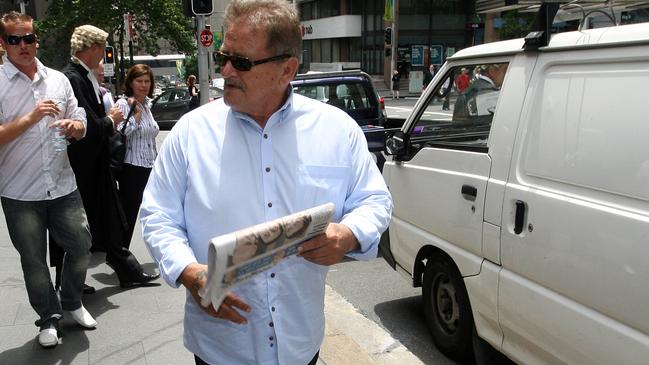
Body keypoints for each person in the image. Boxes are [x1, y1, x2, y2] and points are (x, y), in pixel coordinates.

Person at [139, 1, 392, 364]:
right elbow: (158, 215)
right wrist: (189, 271)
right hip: (220, 348)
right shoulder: (191, 133)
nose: (225, 69)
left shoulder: (336, 130)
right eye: (225, 56)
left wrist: (349, 234)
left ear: (286, 69)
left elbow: (374, 199)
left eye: (240, 62)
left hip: (300, 343)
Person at [0, 11, 97, 348]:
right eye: (14, 39)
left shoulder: (57, 79)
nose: (23, 45)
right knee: (35, 262)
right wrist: (29, 118)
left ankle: (71, 301)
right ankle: (48, 318)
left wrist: (77, 127)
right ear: (3, 44)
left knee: (82, 245)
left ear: (36, 40)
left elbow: (79, 115)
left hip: (61, 184)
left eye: (28, 38)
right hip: (18, 192)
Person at [60, 24, 159, 288]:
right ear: (92, 48)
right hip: (86, 166)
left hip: (95, 164)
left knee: (107, 221)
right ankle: (72, 282)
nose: (104, 54)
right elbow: (86, 125)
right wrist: (110, 120)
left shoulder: (81, 76)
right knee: (81, 227)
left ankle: (122, 268)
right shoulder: (74, 77)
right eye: (102, 48)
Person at [114, 64, 159, 252]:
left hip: (150, 166)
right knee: (129, 213)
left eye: (147, 81)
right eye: (139, 81)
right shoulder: (124, 104)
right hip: (132, 167)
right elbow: (119, 133)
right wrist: (136, 118)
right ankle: (120, 252)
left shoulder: (147, 105)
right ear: (130, 83)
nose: (143, 85)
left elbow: (151, 136)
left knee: (155, 210)